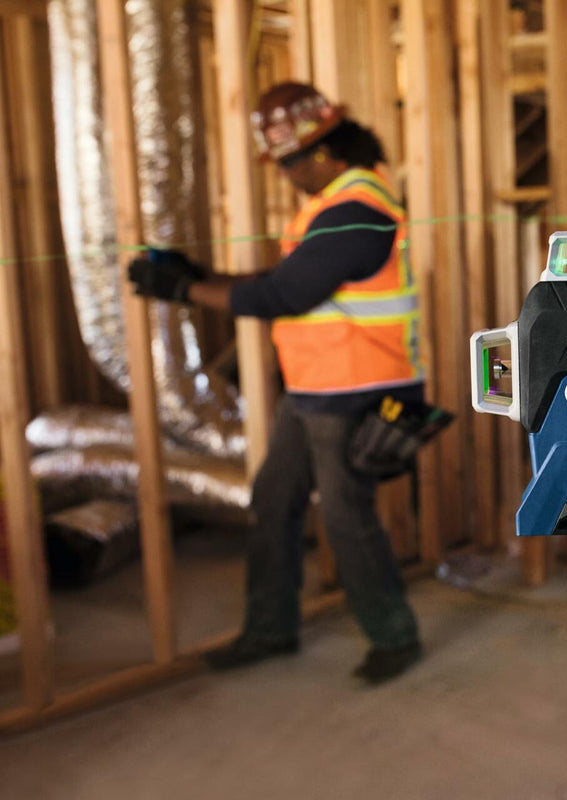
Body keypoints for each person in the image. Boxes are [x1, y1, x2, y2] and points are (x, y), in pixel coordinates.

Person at [128, 83, 429, 684]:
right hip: (319, 389)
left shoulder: (357, 210)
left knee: (346, 518)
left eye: (292, 163)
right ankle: (270, 630)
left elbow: (284, 294)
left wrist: (183, 291)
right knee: (274, 500)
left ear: (325, 153)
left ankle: (395, 637)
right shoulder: (336, 207)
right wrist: (202, 274)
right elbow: (286, 276)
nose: (288, 175)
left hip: (357, 390)